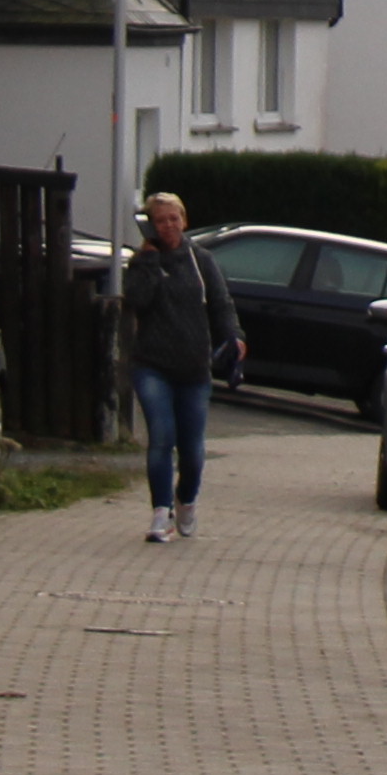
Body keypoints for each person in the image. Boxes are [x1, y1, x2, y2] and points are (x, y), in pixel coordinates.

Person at [119, 190, 237, 540]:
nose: (168, 226)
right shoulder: (142, 262)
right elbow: (137, 300)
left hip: (193, 368)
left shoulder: (201, 261)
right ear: (150, 226)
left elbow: (221, 304)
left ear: (184, 220)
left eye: (174, 219)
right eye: (160, 221)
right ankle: (160, 513)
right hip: (152, 364)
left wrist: (234, 335)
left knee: (192, 448)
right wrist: (151, 260)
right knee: (161, 437)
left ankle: (186, 501)